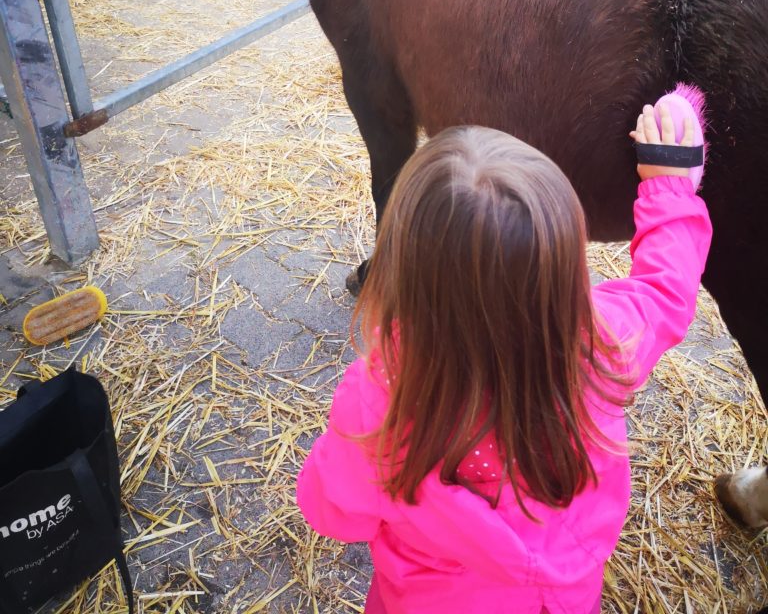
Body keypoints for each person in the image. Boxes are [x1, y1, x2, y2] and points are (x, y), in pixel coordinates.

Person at [296, 93, 712, 614]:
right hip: (563, 598)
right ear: (564, 265)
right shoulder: (603, 344)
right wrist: (669, 186)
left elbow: (331, 513)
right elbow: (667, 289)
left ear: (406, 272)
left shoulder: (381, 395)